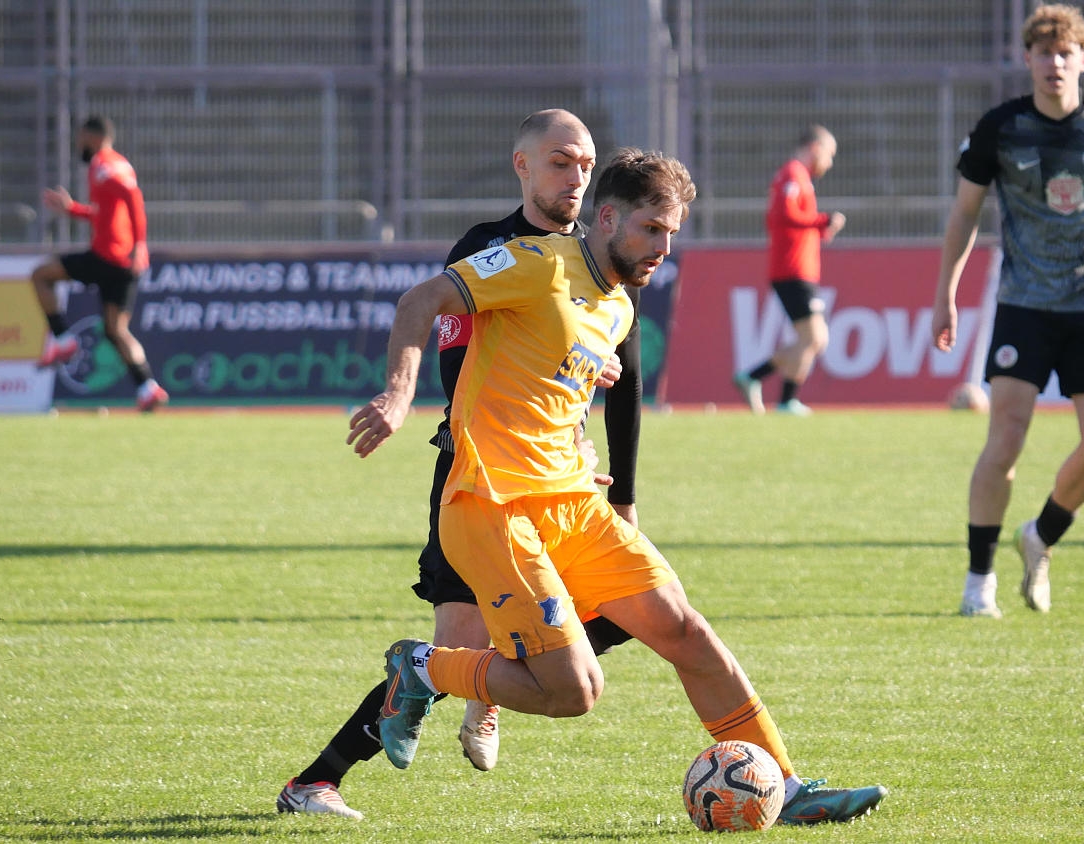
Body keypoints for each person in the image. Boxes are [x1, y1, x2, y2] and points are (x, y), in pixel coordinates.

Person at [348, 148, 888, 825]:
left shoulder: (619, 309)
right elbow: (422, 299)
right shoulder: (534, 263)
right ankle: (424, 668)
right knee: (575, 691)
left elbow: (549, 388)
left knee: (685, 630)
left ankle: (786, 782)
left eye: (672, 234)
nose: (664, 246)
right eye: (652, 229)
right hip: (495, 508)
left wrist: (578, 447)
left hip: (575, 506)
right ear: (606, 218)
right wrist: (399, 395)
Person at [277, 109, 639, 818]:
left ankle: (494, 684)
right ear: (523, 166)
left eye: (587, 165)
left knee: (631, 609)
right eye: (561, 162)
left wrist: (624, 492)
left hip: (567, 482)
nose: (577, 178)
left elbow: (630, 377)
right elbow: (452, 350)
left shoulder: (601, 257)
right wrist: (399, 395)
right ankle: (315, 783)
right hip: (485, 475)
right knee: (455, 647)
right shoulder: (491, 247)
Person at [930, 4, 1084, 618]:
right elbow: (963, 214)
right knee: (1005, 438)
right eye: (1043, 52)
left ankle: (1039, 536)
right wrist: (946, 294)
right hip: (1025, 307)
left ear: (1082, 59)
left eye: (1065, 53)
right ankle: (978, 579)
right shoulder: (1000, 127)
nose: (1054, 63)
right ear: (1028, 59)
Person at [31, 115, 167, 413]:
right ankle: (148, 388)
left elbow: (133, 197)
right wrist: (73, 210)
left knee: (41, 275)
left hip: (109, 257)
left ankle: (64, 340)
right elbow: (104, 213)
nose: (78, 144)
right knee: (116, 329)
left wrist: (140, 244)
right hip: (123, 262)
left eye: (80, 138)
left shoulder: (103, 166)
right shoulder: (119, 163)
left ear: (91, 137)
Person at [733, 125, 846, 416]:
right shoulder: (793, 173)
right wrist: (822, 221)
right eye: (829, 155)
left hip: (801, 269)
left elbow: (791, 222)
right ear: (815, 148)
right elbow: (783, 213)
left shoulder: (801, 178)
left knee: (814, 339)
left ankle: (781, 397)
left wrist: (818, 231)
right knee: (813, 338)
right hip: (792, 270)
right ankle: (761, 383)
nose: (830, 163)